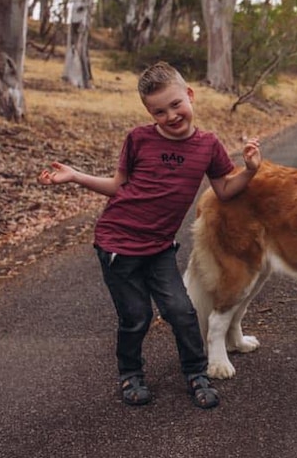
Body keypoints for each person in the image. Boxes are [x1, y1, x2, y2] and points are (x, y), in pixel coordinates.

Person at [37, 61, 261, 409]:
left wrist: (250, 170)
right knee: (136, 316)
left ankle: (196, 373)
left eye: (175, 105)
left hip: (159, 248)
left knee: (181, 310)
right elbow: (117, 186)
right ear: (149, 112)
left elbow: (224, 189)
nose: (171, 115)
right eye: (159, 111)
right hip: (117, 244)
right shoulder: (138, 139)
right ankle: (131, 374)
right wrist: (76, 176)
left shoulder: (208, 145)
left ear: (189, 94)